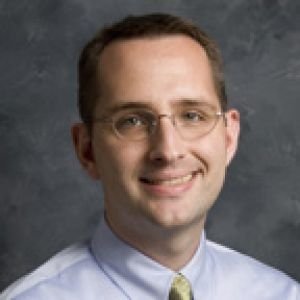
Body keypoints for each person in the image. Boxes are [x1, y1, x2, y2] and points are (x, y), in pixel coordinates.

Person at [1, 13, 299, 300]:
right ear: (87, 149)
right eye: (132, 121)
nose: (168, 151)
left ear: (228, 137)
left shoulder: (282, 294)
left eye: (192, 115)